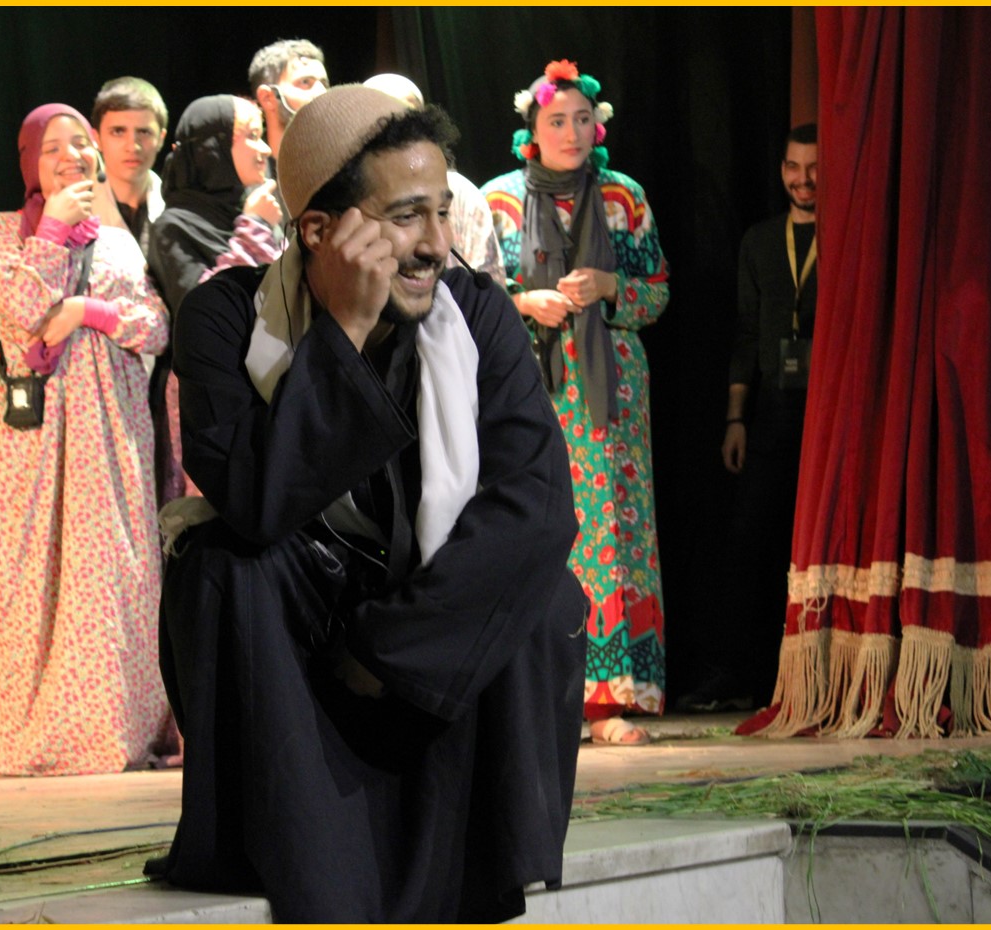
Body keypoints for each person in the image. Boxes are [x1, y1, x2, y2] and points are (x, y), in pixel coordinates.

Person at [148, 85, 587, 922]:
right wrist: (343, 333)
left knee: (541, 588)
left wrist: (388, 649)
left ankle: (470, 863)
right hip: (305, 617)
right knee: (224, 567)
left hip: (425, 645)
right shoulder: (224, 319)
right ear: (319, 229)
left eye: (442, 211)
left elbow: (534, 504)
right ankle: (310, 863)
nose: (435, 244)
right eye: (405, 216)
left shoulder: (476, 313)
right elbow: (256, 500)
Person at [0, 103, 172, 775]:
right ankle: (38, 733)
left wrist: (90, 311)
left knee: (114, 570)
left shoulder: (116, 242)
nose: (71, 157)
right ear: (29, 160)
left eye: (80, 144)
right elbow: (23, 311)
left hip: (110, 423)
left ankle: (116, 730)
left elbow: (156, 325)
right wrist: (54, 228)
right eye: (53, 147)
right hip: (31, 430)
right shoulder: (4, 231)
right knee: (32, 575)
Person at [482, 60, 670, 745]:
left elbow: (657, 292)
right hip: (530, 387)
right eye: (556, 120)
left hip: (611, 394)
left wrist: (612, 287)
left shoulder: (624, 199)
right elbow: (469, 293)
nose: (571, 132)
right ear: (531, 130)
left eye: (582, 119)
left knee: (615, 534)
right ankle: (537, 693)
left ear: (599, 126)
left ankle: (613, 697)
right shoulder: (497, 201)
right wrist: (523, 301)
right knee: (539, 530)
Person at [680, 123, 818, 713]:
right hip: (770, 417)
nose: (803, 180)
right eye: (793, 167)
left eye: (814, 168)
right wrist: (735, 420)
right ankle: (740, 673)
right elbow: (745, 334)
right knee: (749, 544)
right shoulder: (761, 241)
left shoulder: (849, 234)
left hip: (826, 417)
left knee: (813, 545)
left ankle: (813, 672)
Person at [147, 94, 284, 503]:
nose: (264, 149)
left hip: (274, 383)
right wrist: (254, 227)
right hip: (216, 401)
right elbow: (203, 309)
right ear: (213, 148)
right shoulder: (174, 226)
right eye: (251, 136)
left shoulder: (262, 211)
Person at [362, 72, 506, 286]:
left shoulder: (460, 192)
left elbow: (488, 285)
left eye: (442, 213)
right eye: (406, 216)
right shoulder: (356, 194)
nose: (399, 129)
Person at [91, 76, 168, 255]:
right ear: (97, 139)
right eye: (118, 132)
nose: (133, 146)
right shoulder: (77, 212)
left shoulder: (177, 205)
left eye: (144, 132)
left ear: (161, 139)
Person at [248, 38, 328, 164]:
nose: (322, 93)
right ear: (267, 98)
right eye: (305, 82)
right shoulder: (251, 173)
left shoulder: (344, 165)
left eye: (324, 84)